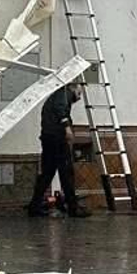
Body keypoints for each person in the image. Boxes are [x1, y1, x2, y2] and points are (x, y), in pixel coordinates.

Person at [27, 82, 91, 218]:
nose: (79, 98)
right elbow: (61, 110)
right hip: (57, 138)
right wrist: (67, 128)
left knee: (47, 174)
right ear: (72, 88)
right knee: (66, 172)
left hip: (48, 138)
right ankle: (73, 208)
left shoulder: (57, 95)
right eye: (79, 93)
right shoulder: (63, 94)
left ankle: (34, 206)